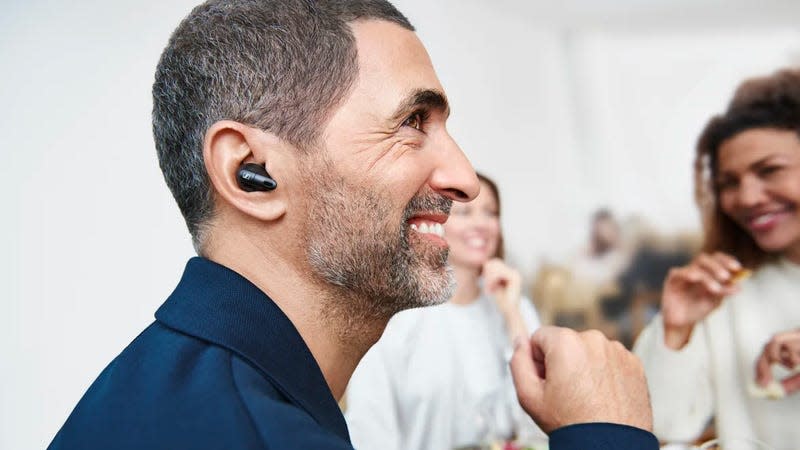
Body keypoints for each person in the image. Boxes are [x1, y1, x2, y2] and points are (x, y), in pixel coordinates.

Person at [48, 1, 658, 449]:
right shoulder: (248, 433)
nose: (465, 179)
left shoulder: (198, 389)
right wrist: (607, 436)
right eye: (412, 122)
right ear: (250, 171)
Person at [634, 68, 800, 449]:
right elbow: (659, 428)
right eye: (729, 182)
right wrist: (676, 329)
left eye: (770, 170)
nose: (747, 197)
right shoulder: (727, 292)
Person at [346, 173, 546, 449]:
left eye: (490, 213)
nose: (480, 224)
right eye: (464, 212)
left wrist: (512, 314)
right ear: (436, 223)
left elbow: (537, 421)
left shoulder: (515, 307)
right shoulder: (397, 317)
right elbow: (371, 427)